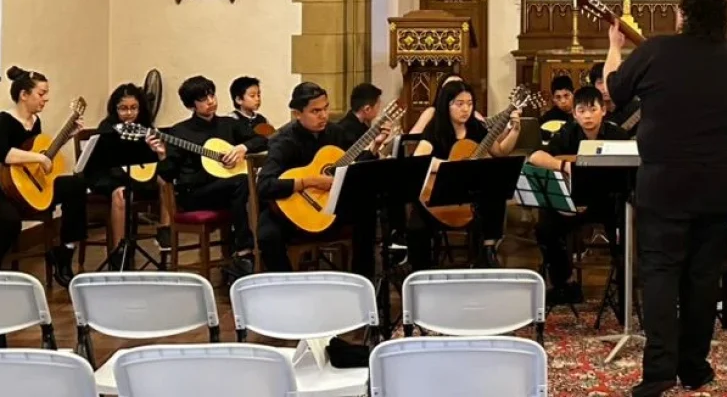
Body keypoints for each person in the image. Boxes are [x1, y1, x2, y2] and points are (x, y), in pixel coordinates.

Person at [605, 0, 727, 397]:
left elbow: (615, 91)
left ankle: (658, 374)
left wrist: (615, 46)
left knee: (661, 275)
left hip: (664, 183)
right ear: (725, 19)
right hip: (720, 185)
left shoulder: (654, 51)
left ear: (683, 15)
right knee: (705, 278)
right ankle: (694, 367)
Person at [257, 82, 391, 277]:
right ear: (297, 114)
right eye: (315, 111)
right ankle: (288, 290)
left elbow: (352, 168)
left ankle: (362, 282)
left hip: (327, 207)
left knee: (367, 210)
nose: (323, 116)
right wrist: (308, 182)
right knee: (267, 235)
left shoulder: (335, 133)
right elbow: (265, 185)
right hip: (290, 212)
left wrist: (374, 148)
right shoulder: (283, 141)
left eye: (326, 108)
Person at [157, 75, 267, 275]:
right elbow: (167, 174)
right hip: (195, 194)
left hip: (228, 191)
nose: (210, 101)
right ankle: (244, 251)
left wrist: (243, 147)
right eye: (203, 99)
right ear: (191, 105)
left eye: (212, 95)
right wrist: (162, 154)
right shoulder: (180, 132)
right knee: (242, 183)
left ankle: (248, 252)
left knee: (253, 186)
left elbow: (264, 139)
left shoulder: (228, 124)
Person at [528, 85, 625, 305]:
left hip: (608, 203)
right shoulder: (567, 133)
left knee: (627, 224)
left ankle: (623, 285)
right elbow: (535, 156)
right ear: (574, 114)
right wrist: (563, 165)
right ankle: (565, 284)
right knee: (545, 227)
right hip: (573, 202)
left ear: (603, 110)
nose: (587, 115)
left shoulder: (617, 134)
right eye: (581, 110)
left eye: (592, 109)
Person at [409, 79, 521, 269]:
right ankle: (420, 273)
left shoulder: (476, 129)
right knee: (417, 226)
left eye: (469, 104)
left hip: (469, 198)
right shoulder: (435, 129)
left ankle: (487, 251)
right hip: (439, 195)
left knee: (496, 189)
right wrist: (449, 167)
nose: (465, 109)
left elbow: (500, 152)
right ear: (447, 105)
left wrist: (515, 130)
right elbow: (419, 159)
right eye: (459, 104)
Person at [0, 66, 88, 284]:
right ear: (24, 95)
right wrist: (39, 159)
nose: (45, 99)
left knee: (76, 185)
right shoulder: (4, 120)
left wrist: (67, 137)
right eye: (41, 94)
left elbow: (38, 152)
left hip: (31, 188)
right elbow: (4, 154)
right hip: (5, 189)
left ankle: (64, 251)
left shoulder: (35, 122)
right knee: (9, 221)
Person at [86, 83, 171, 259]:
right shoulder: (107, 128)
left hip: (139, 176)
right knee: (120, 194)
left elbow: (155, 165)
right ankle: (119, 252)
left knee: (166, 180)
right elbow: (104, 163)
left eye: (134, 108)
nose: (129, 113)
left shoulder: (146, 127)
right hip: (109, 176)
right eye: (123, 108)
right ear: (115, 109)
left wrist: (159, 152)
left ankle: (165, 232)